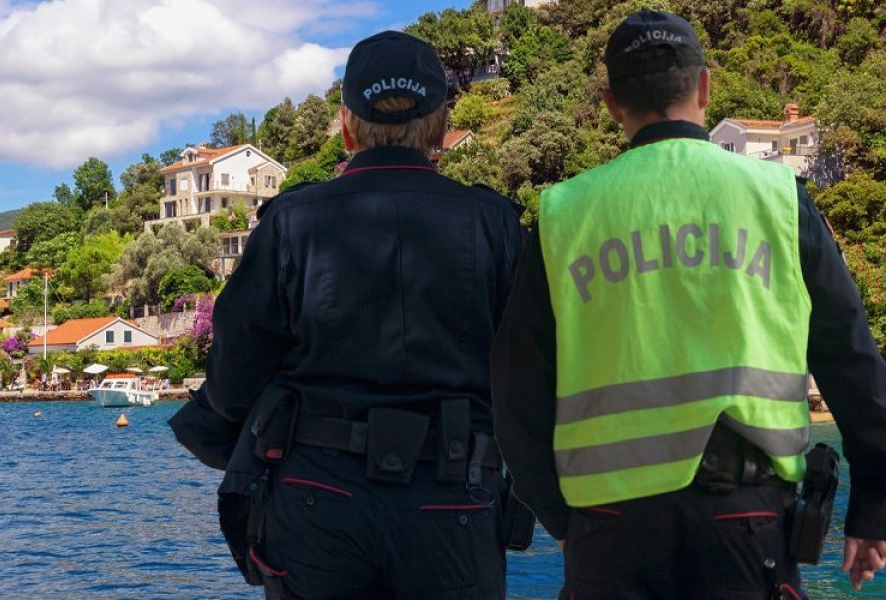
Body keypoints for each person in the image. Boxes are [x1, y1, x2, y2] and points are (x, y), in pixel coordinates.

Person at [490, 9, 886, 598]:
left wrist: (560, 518)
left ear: (610, 103)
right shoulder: (777, 198)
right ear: (704, 87)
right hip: (748, 524)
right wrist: (872, 505)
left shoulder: (564, 214)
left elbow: (516, 391)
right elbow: (850, 358)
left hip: (609, 530)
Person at [171, 30, 524, 599]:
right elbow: (532, 373)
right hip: (454, 495)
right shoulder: (495, 224)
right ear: (440, 126)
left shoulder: (291, 221)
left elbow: (235, 369)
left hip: (317, 495)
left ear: (346, 126)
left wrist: (225, 437)